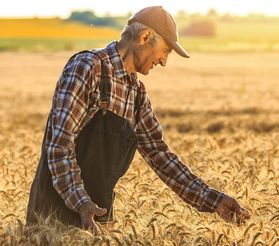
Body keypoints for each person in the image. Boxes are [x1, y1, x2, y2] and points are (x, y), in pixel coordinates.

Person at [26, 6, 250, 233]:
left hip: (96, 221)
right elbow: (60, 146)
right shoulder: (88, 67)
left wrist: (213, 200)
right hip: (52, 220)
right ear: (145, 37)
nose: (163, 62)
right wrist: (81, 202)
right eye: (165, 51)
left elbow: (160, 155)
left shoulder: (136, 94)